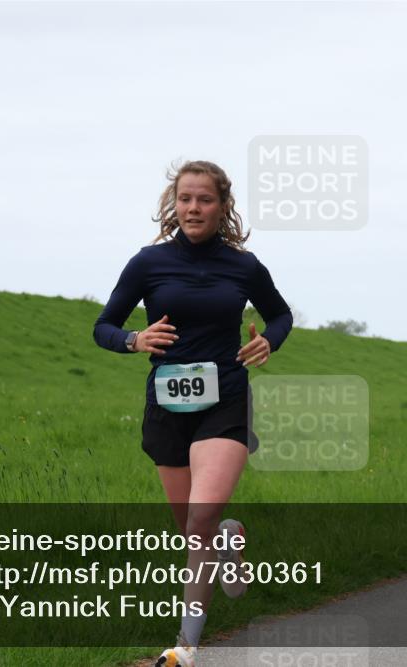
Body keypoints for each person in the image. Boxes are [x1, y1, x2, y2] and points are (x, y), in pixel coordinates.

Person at [93, 161, 293, 666]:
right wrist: (134, 339)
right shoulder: (148, 263)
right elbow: (103, 326)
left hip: (226, 399)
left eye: (205, 199)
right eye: (185, 199)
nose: (194, 208)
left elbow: (280, 314)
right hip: (167, 406)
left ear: (222, 206)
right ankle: (228, 539)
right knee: (192, 528)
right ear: (173, 204)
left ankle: (186, 647)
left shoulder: (243, 266)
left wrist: (269, 340)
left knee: (200, 518)